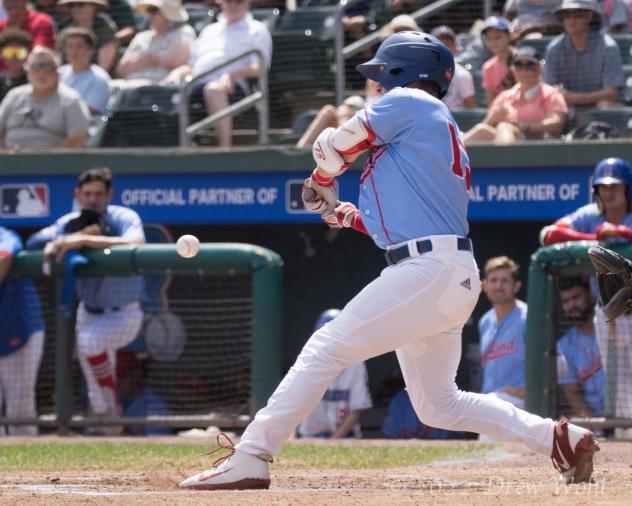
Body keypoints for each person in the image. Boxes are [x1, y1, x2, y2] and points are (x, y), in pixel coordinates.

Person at [179, 31, 599, 490]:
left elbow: (332, 145)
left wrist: (321, 177)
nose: (377, 84)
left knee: (326, 347)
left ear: (403, 70)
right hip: (445, 272)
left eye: (382, 74)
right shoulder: (434, 123)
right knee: (440, 405)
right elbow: (402, 222)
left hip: (426, 270)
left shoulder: (411, 102)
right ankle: (560, 439)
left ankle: (253, 453)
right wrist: (346, 214)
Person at [27, 168, 145, 431]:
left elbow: (136, 242)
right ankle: (108, 422)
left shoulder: (124, 216)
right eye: (87, 193)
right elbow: (35, 242)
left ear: (109, 195)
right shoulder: (70, 221)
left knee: (91, 343)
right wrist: (58, 240)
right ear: (77, 194)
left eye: (99, 194)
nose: (92, 199)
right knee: (94, 381)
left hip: (124, 312)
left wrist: (85, 240)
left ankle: (111, 406)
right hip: (88, 311)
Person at [540, 157, 632, 423]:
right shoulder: (589, 216)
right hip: (608, 313)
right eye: (604, 186)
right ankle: (625, 442)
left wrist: (624, 234)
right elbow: (548, 235)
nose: (610, 191)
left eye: (616, 185)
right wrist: (595, 238)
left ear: (627, 189)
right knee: (617, 385)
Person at [163, 0, 272, 148]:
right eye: (229, 1)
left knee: (213, 89)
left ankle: (224, 149)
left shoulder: (257, 29)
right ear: (221, 2)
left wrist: (232, 75)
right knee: (162, 90)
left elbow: (259, 67)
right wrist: (177, 73)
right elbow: (191, 65)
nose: (233, 5)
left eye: (238, 1)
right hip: (195, 83)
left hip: (232, 87)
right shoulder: (209, 30)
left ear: (247, 3)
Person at [463, 46, 568, 144]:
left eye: (530, 65)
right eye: (519, 65)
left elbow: (556, 124)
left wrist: (524, 126)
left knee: (504, 127)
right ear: (512, 69)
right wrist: (493, 118)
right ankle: (452, 157)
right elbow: (487, 124)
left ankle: (507, 163)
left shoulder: (552, 93)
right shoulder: (504, 96)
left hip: (538, 145)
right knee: (482, 130)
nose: (524, 71)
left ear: (540, 68)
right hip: (505, 141)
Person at [297, 309, 372, 439]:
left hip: (346, 438)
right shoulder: (307, 361)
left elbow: (357, 409)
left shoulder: (356, 364)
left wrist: (332, 443)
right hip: (310, 437)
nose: (331, 342)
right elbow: (295, 406)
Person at [0, 227, 45, 436]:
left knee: (20, 410)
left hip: (19, 329)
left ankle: (25, 468)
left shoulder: (5, 235)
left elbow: (4, 258)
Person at [0, 47, 90, 150]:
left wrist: (47, 160)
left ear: (57, 74)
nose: (41, 74)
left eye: (47, 69)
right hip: (9, 161)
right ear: (28, 73)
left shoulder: (71, 100)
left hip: (52, 163)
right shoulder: (14, 95)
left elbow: (77, 139)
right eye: (35, 69)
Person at [544, 0, 624, 109]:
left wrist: (574, 97)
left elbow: (611, 92)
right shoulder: (553, 49)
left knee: (605, 105)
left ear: (589, 17)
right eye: (566, 16)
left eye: (578, 15)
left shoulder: (608, 47)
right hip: (567, 107)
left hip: (599, 108)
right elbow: (550, 89)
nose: (571, 21)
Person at [478, 256, 527, 412]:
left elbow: (552, 363)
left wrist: (526, 391)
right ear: (484, 286)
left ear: (516, 286)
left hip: (521, 403)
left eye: (505, 281)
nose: (498, 286)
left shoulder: (528, 318)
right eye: (493, 280)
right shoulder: (484, 322)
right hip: (491, 402)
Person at [556, 278, 604, 418]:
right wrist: (596, 425)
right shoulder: (562, 346)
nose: (572, 305)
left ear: (590, 295)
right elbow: (572, 393)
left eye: (576, 297)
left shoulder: (611, 328)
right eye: (566, 301)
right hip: (596, 421)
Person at [116, 0, 195, 84]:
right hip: (129, 85)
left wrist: (152, 59)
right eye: (149, 10)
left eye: (154, 10)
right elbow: (121, 69)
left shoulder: (183, 32)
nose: (150, 15)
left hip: (158, 89)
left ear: (168, 14)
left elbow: (178, 60)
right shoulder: (141, 37)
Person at [117, 351, 171, 436]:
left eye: (120, 376)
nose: (116, 381)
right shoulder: (116, 399)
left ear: (135, 373)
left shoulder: (154, 404)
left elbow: (158, 440)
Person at [58, 27, 111, 114]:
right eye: (69, 46)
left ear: (91, 50)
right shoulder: (59, 73)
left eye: (79, 47)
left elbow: (90, 111)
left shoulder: (99, 79)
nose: (73, 51)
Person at [57, 0, 119, 73]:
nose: (75, 9)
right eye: (71, 5)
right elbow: (60, 62)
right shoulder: (66, 32)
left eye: (81, 4)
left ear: (93, 6)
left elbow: (103, 69)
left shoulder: (105, 28)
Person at [0, 0, 55, 73]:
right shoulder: (1, 26)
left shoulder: (41, 22)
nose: (11, 2)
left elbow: (39, 54)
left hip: (34, 76)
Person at [430, 25, 476, 111]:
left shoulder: (462, 75)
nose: (443, 49)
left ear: (455, 48)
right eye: (439, 44)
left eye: (448, 45)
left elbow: (471, 110)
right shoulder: (424, 72)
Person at [480, 16, 515, 106]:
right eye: (489, 39)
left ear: (509, 36)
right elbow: (491, 102)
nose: (493, 42)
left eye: (498, 37)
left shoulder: (522, 59)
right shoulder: (487, 67)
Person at [0, 28, 31, 102]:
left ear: (27, 54)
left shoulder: (32, 80)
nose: (14, 57)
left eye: (19, 52)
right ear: (1, 55)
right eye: (9, 52)